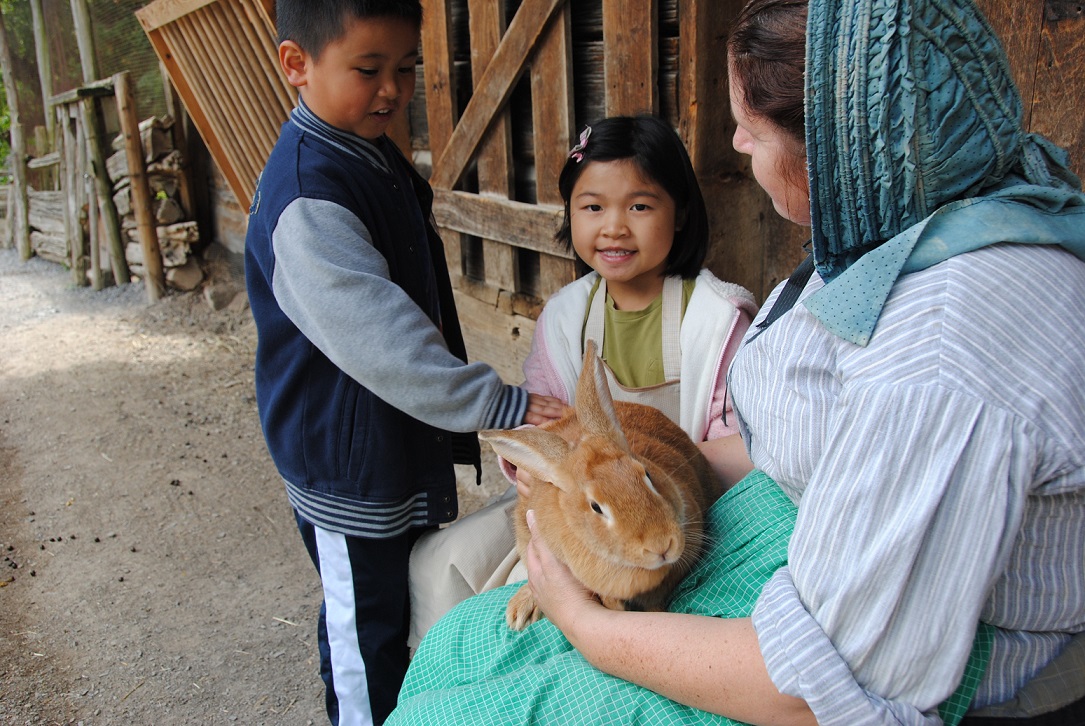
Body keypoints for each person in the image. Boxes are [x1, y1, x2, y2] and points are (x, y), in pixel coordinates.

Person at [387, 0, 1085, 723]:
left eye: (751, 129)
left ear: (841, 148)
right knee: (457, 643)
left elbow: (814, 685)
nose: (735, 143)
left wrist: (590, 627)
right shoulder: (919, 220)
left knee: (470, 708)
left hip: (828, 649)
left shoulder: (938, 363)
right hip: (779, 528)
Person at [244, 1, 563, 723]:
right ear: (296, 65)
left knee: (406, 604)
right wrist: (499, 405)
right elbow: (383, 339)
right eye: (368, 69)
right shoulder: (308, 197)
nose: (392, 90)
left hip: (386, 445)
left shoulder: (365, 148)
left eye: (406, 68)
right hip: (347, 466)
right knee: (365, 631)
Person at [406, 115, 759, 650]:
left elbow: (744, 445)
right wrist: (525, 471)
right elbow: (541, 421)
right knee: (440, 562)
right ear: (569, 214)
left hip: (681, 510)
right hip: (581, 511)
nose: (614, 227)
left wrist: (656, 471)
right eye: (593, 207)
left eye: (639, 206)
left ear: (681, 211)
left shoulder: (716, 317)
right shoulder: (567, 316)